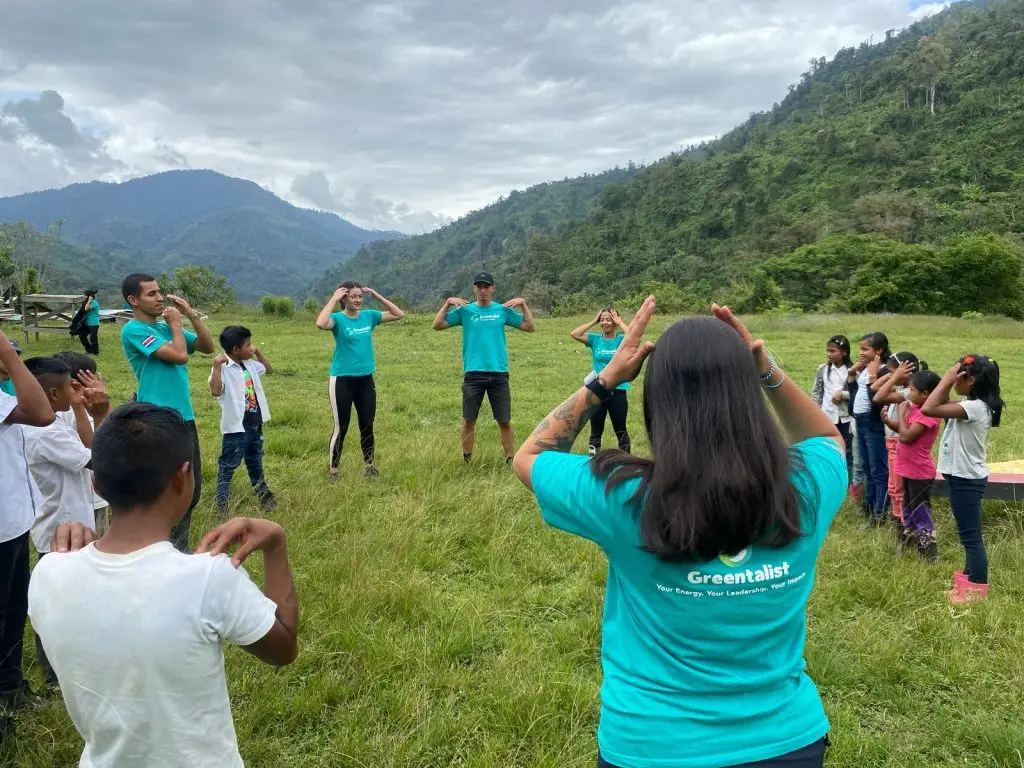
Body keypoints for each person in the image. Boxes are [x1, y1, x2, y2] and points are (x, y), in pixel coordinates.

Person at [511, 298, 845, 768]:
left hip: (652, 744)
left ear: (658, 401)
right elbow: (829, 439)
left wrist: (605, 379)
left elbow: (529, 457)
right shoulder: (808, 485)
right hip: (787, 742)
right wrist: (764, 367)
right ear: (747, 392)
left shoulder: (623, 495)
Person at [27, 402, 299, 767]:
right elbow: (282, 650)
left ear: (96, 482)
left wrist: (83, 544)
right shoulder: (209, 578)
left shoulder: (48, 574)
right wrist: (276, 544)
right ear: (182, 477)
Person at [21, 356, 108, 686]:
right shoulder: (46, 433)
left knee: (68, 598)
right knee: (56, 603)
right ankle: (55, 675)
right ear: (55, 394)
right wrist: (100, 415)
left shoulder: (49, 424)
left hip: (62, 524)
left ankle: (66, 666)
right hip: (61, 528)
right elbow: (99, 460)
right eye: (69, 387)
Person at [120, 273, 215, 552]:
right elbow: (179, 355)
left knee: (190, 487)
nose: (160, 297)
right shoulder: (134, 330)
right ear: (133, 300)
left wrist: (189, 315)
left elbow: (207, 347)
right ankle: (169, 550)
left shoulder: (164, 328)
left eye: (160, 292)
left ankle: (176, 549)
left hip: (183, 416)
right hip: (158, 418)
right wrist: (176, 325)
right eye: (151, 294)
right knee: (169, 490)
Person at [0, 330, 54, 740]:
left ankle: (10, 688)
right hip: (3, 529)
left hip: (15, 523)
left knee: (14, 613)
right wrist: (9, 357)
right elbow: (42, 412)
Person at [923, 355, 1003, 603]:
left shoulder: (974, 408)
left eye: (960, 376)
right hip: (963, 477)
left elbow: (929, 407)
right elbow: (940, 404)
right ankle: (964, 585)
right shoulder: (972, 404)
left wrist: (946, 379)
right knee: (968, 534)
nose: (955, 379)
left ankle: (977, 590)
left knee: (970, 537)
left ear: (971, 380)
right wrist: (951, 381)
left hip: (966, 479)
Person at [432, 272, 535, 464]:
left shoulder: (502, 310)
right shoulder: (466, 311)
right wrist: (447, 303)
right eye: (479, 286)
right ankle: (467, 459)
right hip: (473, 374)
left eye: (486, 286)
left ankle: (510, 460)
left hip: (499, 374)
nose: (483, 290)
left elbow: (529, 327)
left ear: (493, 288)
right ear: (474, 288)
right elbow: (437, 325)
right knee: (468, 420)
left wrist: (523, 303)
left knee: (504, 421)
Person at [315, 281, 405, 480]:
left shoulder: (369, 316)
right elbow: (321, 323)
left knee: (367, 424)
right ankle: (334, 470)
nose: (357, 300)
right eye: (352, 296)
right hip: (342, 380)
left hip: (365, 379)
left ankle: (370, 466)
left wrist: (377, 296)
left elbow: (399, 314)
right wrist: (333, 298)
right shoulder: (337, 319)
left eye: (359, 296)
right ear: (344, 299)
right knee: (342, 427)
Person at [877, 362, 942, 561]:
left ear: (925, 394)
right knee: (908, 506)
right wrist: (890, 422)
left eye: (912, 390)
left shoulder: (928, 414)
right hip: (908, 468)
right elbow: (880, 398)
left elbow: (906, 437)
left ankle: (928, 551)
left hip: (919, 471)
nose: (908, 394)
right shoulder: (916, 406)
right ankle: (911, 539)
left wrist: (903, 414)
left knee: (920, 509)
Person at [209, 326, 276, 516]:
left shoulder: (251, 364)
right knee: (228, 465)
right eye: (248, 345)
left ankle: (264, 496)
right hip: (236, 428)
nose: (251, 347)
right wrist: (216, 366)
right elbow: (215, 391)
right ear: (236, 349)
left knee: (255, 461)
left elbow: (268, 369)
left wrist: (258, 353)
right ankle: (221, 504)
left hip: (255, 423)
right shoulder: (223, 367)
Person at [52, 351, 112, 535]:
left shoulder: (59, 408)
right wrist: (103, 409)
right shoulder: (72, 411)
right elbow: (101, 444)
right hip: (84, 498)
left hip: (87, 495)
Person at [871, 352, 923, 533]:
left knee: (897, 488)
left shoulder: (910, 392)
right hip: (891, 440)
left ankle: (902, 525)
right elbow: (875, 387)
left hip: (897, 442)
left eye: (895, 372)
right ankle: (900, 523)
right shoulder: (903, 388)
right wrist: (894, 375)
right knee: (894, 487)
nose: (892, 376)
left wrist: (895, 377)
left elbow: (878, 397)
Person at [570, 307, 632, 455]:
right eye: (602, 319)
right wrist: (594, 321)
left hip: (618, 389)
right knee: (596, 429)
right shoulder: (595, 339)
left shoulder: (621, 340)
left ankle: (627, 461)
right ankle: (593, 460)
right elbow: (574, 334)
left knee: (620, 428)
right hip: (598, 389)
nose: (605, 322)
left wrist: (619, 321)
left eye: (608, 319)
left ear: (615, 322)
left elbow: (633, 335)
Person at [848, 332, 891, 524]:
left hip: (874, 424)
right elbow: (856, 395)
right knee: (867, 467)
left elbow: (875, 399)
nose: (860, 352)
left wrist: (872, 374)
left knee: (878, 470)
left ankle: (879, 514)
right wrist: (851, 376)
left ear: (879, 350)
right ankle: (868, 507)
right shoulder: (867, 369)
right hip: (861, 421)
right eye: (860, 348)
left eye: (865, 349)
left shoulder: (884, 371)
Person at [811, 334, 852, 480]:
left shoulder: (851, 371)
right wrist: (815, 413)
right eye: (828, 351)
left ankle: (846, 477)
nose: (829, 354)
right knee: (827, 447)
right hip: (826, 415)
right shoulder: (822, 369)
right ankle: (828, 476)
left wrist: (843, 394)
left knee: (846, 448)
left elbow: (856, 392)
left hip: (844, 417)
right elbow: (817, 392)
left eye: (833, 351)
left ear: (844, 352)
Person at [77, 289, 101, 355]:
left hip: (93, 324)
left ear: (89, 296)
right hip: (87, 323)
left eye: (85, 295)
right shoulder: (85, 302)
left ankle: (96, 352)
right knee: (82, 336)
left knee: (93, 338)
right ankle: (89, 349)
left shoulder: (94, 303)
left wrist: (89, 300)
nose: (84, 296)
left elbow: (86, 308)